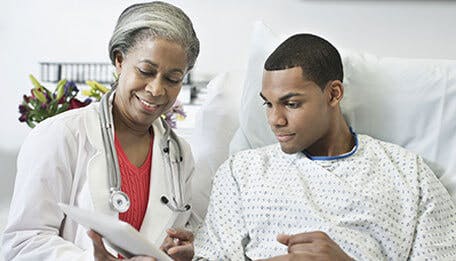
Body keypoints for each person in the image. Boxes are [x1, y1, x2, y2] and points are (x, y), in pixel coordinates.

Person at [192, 34, 456, 260]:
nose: (275, 120)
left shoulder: (409, 174)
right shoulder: (241, 172)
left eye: (291, 104)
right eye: (268, 104)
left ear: (333, 94)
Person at [2, 2, 200, 260]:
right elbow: (22, 243)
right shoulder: (60, 135)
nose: (156, 89)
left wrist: (182, 252)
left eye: (173, 79)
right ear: (119, 60)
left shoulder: (179, 154)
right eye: (146, 71)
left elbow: (173, 235)